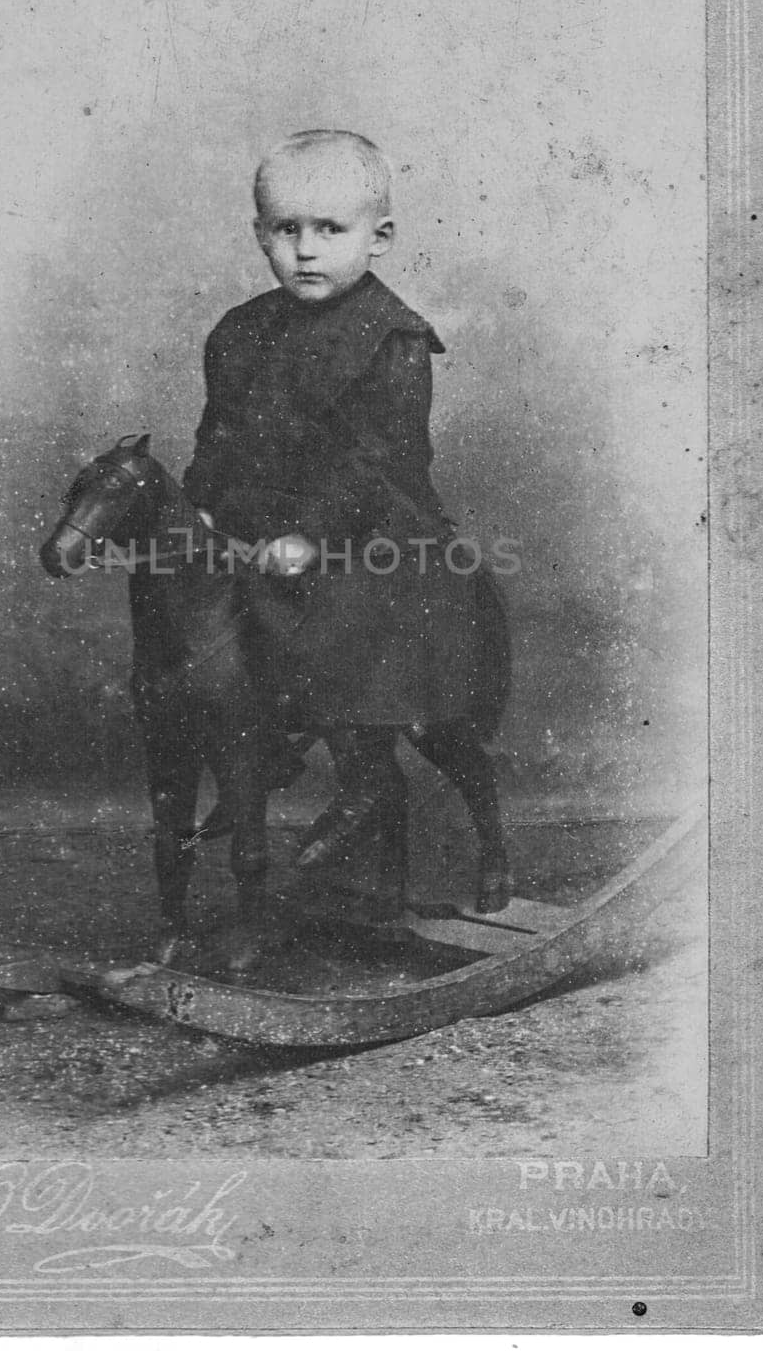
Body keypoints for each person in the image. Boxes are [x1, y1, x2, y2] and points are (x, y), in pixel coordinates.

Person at [183, 129, 510, 931]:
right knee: (210, 634)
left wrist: (310, 536)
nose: (305, 251)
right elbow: (218, 438)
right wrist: (201, 501)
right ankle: (258, 768)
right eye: (286, 230)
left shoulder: (392, 340)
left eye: (330, 230)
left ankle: (396, 798)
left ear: (380, 237)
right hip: (268, 544)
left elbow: (378, 461)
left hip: (378, 543)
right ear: (261, 234)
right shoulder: (239, 331)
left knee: (356, 628)